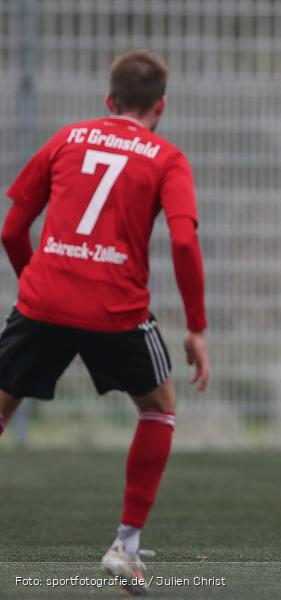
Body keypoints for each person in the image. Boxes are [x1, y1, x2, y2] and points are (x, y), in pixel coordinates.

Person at [0, 49, 209, 595]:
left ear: (108, 100)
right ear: (160, 105)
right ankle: (126, 544)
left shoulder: (67, 139)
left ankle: (129, 544)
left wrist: (34, 287)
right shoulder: (166, 157)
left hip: (43, 299)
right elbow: (184, 240)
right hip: (116, 311)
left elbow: (11, 229)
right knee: (159, 407)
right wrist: (196, 327)